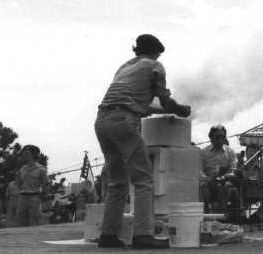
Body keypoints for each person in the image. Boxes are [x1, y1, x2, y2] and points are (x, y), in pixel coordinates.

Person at [94, 34, 191, 249]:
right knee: (144, 179)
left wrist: (163, 109)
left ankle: (108, 235)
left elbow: (135, 104)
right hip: (124, 120)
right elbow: (165, 101)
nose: (159, 56)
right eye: (158, 53)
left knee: (117, 182)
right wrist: (179, 110)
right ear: (155, 51)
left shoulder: (124, 67)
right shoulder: (155, 66)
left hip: (102, 120)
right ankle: (142, 235)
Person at [200, 125, 238, 214]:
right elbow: (199, 170)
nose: (220, 139)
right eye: (217, 137)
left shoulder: (230, 152)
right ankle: (205, 217)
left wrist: (225, 176)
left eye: (223, 137)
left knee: (224, 187)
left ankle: (221, 217)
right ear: (211, 138)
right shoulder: (203, 152)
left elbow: (233, 169)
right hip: (208, 182)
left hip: (224, 182)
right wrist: (207, 179)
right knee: (202, 189)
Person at [16, 145, 49, 227]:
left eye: (27, 154)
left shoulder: (41, 169)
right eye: (24, 154)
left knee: (34, 221)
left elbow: (46, 184)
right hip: (23, 197)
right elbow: (18, 184)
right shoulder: (22, 169)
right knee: (21, 221)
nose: (25, 156)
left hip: (34, 197)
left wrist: (44, 196)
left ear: (34, 155)